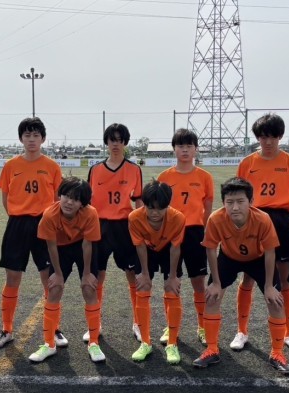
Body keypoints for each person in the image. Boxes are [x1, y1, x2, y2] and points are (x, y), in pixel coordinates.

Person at [198, 178, 289, 374]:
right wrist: (216, 282)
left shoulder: (262, 219)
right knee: (212, 297)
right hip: (228, 257)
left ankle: (277, 353)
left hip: (258, 258)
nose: (235, 207)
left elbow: (270, 252)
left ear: (251, 201)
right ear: (223, 203)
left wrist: (269, 286)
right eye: (230, 202)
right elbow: (211, 249)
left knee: (276, 301)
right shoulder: (216, 219)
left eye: (240, 201)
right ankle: (212, 349)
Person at [0, 117, 64, 350]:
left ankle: (54, 329)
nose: (31, 139)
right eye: (27, 135)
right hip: (17, 225)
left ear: (43, 139)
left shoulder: (52, 166)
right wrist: (18, 216)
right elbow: (5, 197)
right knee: (12, 277)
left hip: (45, 223)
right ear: (21, 138)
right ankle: (6, 329)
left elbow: (58, 199)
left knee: (49, 278)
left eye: (36, 135)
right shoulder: (11, 165)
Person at [236, 113, 289, 353]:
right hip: (254, 220)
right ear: (257, 138)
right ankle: (241, 331)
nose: (267, 142)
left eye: (272, 137)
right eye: (263, 137)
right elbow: (239, 196)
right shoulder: (247, 163)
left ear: (280, 136)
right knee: (248, 277)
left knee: (285, 278)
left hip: (282, 221)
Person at [28, 177, 105, 363]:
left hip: (82, 246)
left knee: (89, 288)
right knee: (54, 288)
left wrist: (86, 274)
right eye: (66, 196)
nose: (69, 202)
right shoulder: (49, 215)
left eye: (76, 199)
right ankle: (49, 344)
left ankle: (94, 343)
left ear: (83, 203)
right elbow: (51, 245)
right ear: (59, 195)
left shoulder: (90, 213)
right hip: (60, 249)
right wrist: (58, 274)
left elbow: (88, 244)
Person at [86, 123, 143, 342]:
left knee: (132, 273)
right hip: (99, 226)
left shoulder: (134, 169)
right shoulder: (95, 169)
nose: (116, 144)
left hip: (124, 226)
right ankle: (95, 323)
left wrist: (140, 225)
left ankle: (138, 322)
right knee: (98, 274)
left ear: (125, 142)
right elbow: (88, 201)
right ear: (107, 143)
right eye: (112, 140)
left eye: (120, 140)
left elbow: (138, 200)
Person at [157, 128, 214, 346]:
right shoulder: (165, 177)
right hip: (170, 233)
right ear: (174, 149)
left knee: (198, 281)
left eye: (189, 146)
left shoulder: (204, 177)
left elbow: (208, 205)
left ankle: (202, 326)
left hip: (194, 232)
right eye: (180, 146)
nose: (185, 150)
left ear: (196, 149)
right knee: (170, 281)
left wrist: (204, 229)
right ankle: (171, 326)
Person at [128, 180, 186, 364]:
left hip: (168, 250)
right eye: (150, 208)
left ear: (168, 205)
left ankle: (172, 343)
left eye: (160, 208)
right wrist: (145, 273)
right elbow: (139, 246)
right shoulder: (134, 217)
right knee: (142, 289)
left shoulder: (178, 218)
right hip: (146, 250)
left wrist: (172, 277)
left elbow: (175, 248)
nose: (155, 213)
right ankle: (145, 343)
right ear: (144, 204)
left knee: (172, 290)